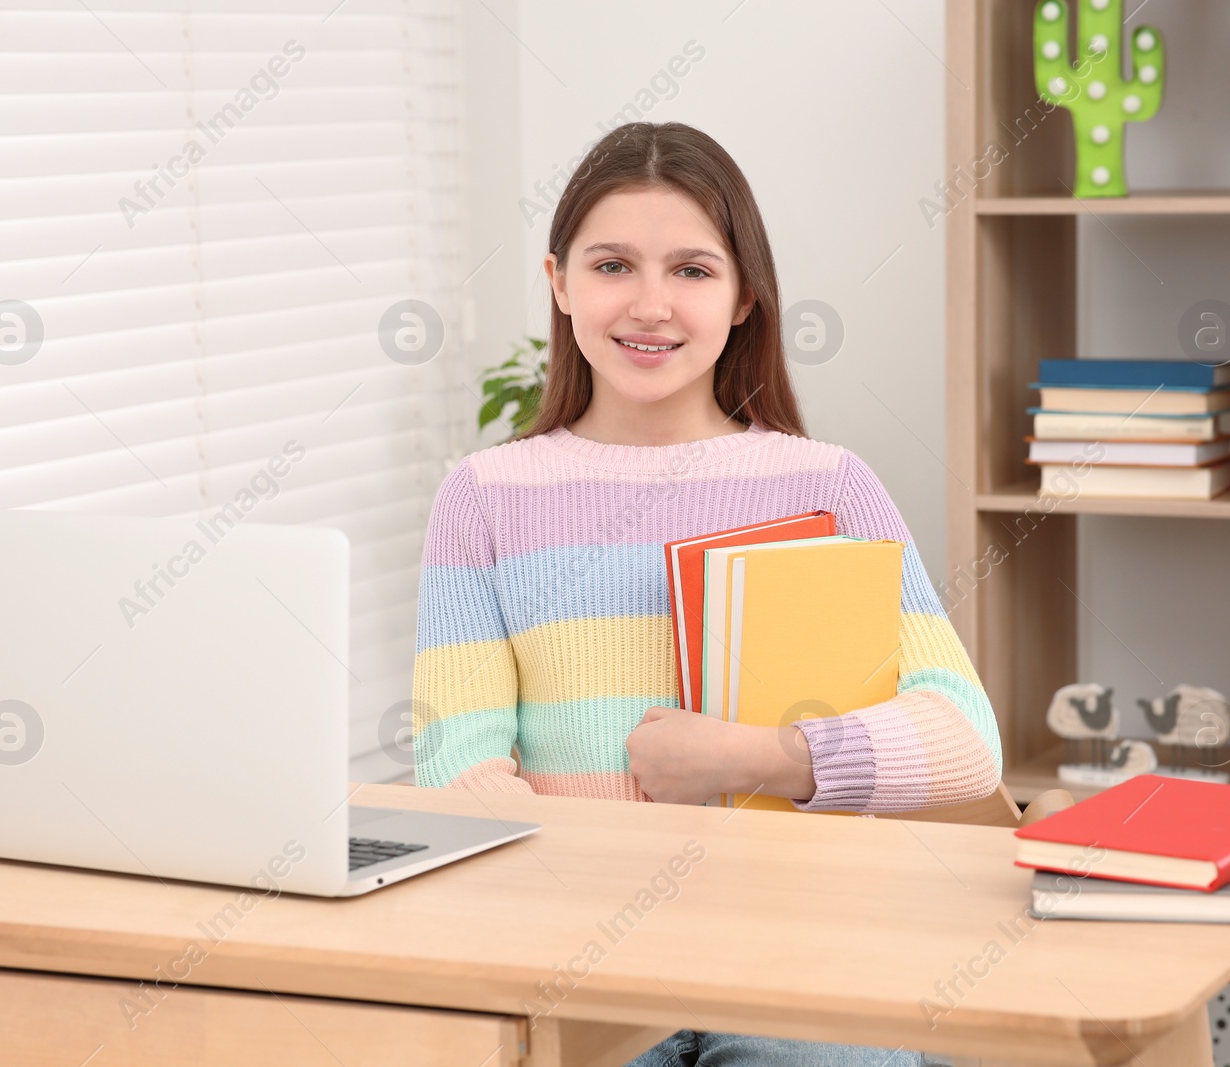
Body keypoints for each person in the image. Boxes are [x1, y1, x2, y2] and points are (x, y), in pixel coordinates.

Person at [411, 120, 998, 1067]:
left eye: (691, 269)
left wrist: (753, 755)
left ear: (743, 298)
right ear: (559, 283)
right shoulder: (483, 497)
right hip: (574, 951)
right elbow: (457, 762)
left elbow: (966, 738)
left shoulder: (828, 484)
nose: (651, 305)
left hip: (802, 947)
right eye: (613, 266)